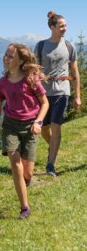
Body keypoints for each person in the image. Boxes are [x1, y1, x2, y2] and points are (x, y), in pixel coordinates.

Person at [0, 43, 49, 219]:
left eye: (10, 56)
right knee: (15, 162)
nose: (6, 58)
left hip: (30, 126)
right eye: (5, 54)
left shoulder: (31, 78)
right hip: (10, 125)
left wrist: (38, 122)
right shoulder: (2, 82)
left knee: (27, 173)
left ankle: (26, 182)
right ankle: (24, 208)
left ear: (21, 60)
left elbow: (45, 103)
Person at [34, 11, 81, 177]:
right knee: (44, 129)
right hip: (44, 93)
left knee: (56, 127)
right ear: (52, 27)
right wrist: (39, 77)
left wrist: (77, 96)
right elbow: (35, 69)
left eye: (65, 25)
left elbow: (75, 71)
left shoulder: (69, 46)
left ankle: (50, 165)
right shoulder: (40, 46)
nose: (65, 29)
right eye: (61, 26)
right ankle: (53, 145)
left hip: (62, 90)